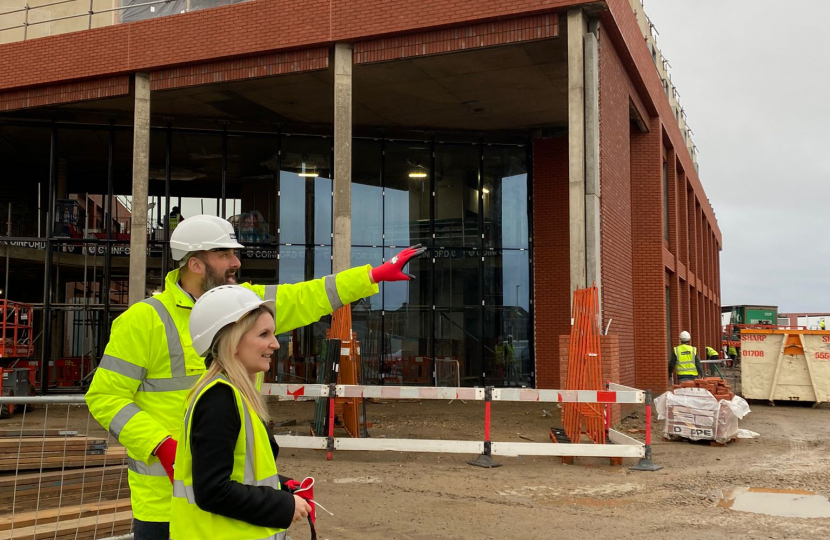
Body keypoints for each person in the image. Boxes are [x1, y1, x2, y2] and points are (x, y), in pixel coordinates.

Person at [86, 215, 424, 540]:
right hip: (164, 504)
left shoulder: (245, 303)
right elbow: (105, 397)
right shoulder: (144, 321)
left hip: (237, 497)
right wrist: (160, 445)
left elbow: (307, 296)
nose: (236, 262)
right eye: (225, 254)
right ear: (195, 264)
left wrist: (372, 276)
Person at [170, 285, 310, 540]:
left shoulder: (231, 394)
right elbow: (213, 491)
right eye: (263, 334)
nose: (275, 344)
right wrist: (282, 505)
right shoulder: (219, 399)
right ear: (233, 342)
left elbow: (238, 471)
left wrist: (281, 485)